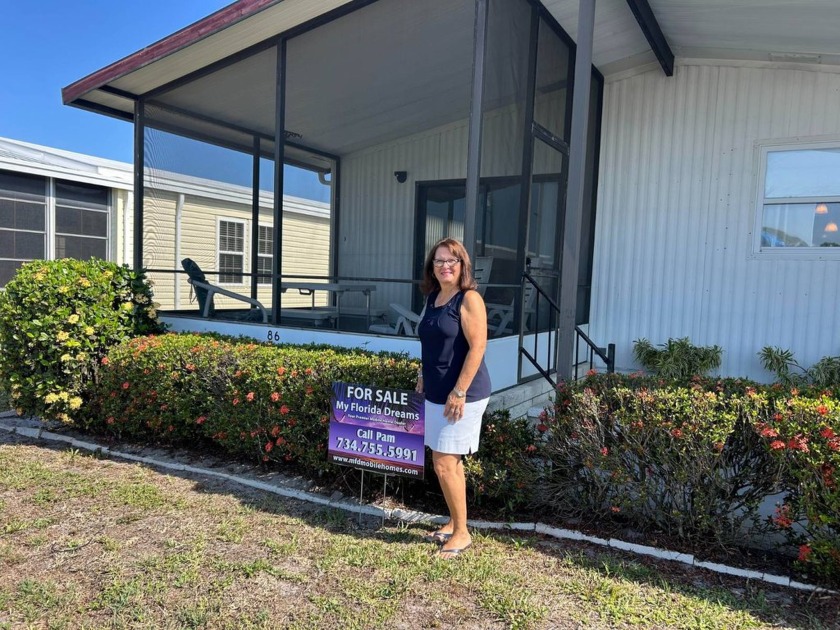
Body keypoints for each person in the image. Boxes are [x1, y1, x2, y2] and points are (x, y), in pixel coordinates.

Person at [415, 237, 491, 559]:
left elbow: (478, 347)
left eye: (451, 260)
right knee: (446, 462)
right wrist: (423, 374)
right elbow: (431, 343)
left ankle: (461, 533)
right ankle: (454, 522)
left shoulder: (469, 298)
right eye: (439, 261)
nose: (445, 266)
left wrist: (459, 391)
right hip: (435, 391)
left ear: (462, 265)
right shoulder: (433, 297)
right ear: (431, 267)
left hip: (464, 394)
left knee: (445, 463)